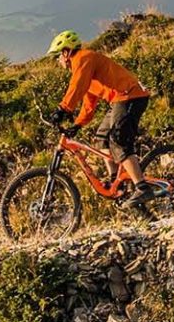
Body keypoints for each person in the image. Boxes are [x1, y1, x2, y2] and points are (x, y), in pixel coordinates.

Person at [45, 30, 163, 205]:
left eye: (58, 57)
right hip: (119, 100)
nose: (58, 61)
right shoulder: (83, 68)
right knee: (102, 138)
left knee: (118, 140)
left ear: (66, 52)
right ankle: (117, 181)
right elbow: (88, 102)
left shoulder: (83, 58)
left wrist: (63, 109)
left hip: (129, 96)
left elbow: (76, 86)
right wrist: (77, 124)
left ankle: (142, 188)